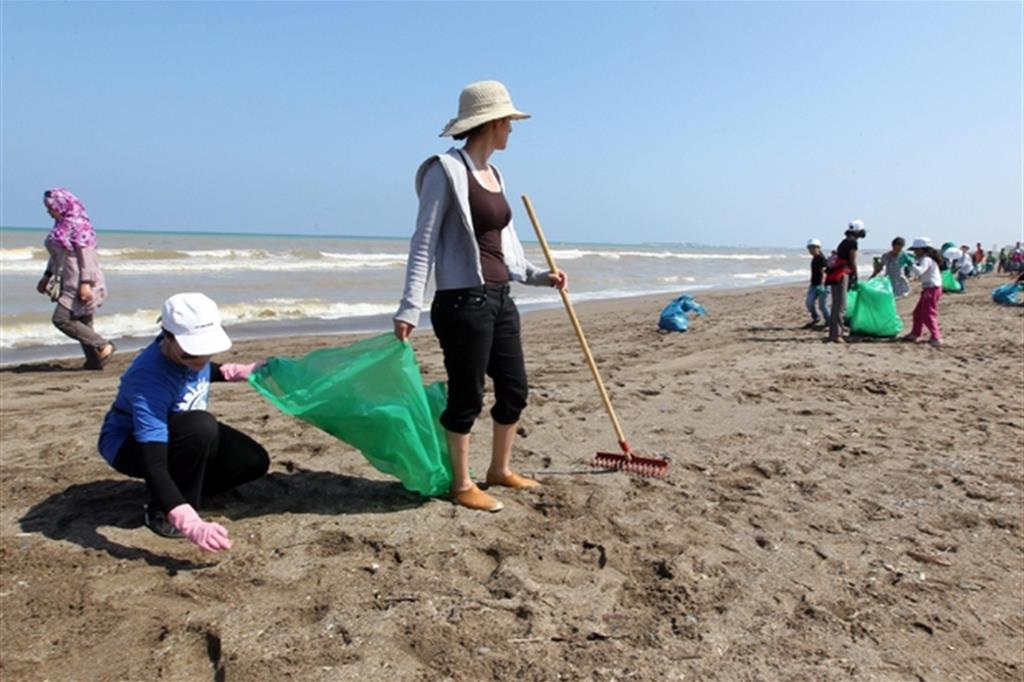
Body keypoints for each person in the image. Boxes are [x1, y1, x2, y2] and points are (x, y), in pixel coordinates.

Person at [393, 80, 567, 513]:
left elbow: (505, 247)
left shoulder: (496, 174)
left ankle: (499, 470)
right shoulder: (445, 170)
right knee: (467, 396)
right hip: (462, 302)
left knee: (514, 389)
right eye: (510, 121)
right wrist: (409, 306)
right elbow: (424, 241)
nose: (513, 129)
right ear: (493, 123)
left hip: (500, 298)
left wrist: (541, 277)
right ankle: (462, 482)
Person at [97, 293, 269, 552]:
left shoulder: (187, 356)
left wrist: (236, 372)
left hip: (182, 434)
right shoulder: (148, 379)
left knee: (253, 462)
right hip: (130, 445)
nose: (200, 359)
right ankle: (162, 511)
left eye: (206, 350)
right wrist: (188, 522)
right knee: (200, 426)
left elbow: (202, 369)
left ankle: (179, 493)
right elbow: (152, 461)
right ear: (168, 337)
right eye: (191, 352)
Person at [35, 188, 116, 369]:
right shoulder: (61, 227)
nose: (48, 211)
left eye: (50, 207)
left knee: (62, 319)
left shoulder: (80, 226)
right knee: (83, 322)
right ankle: (95, 361)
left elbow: (87, 257)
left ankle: (103, 345)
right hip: (67, 280)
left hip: (80, 282)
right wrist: (47, 276)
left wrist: (86, 284)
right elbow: (56, 255)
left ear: (62, 205)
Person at [824, 220, 865, 343]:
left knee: (836, 305)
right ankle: (837, 334)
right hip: (842, 274)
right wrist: (856, 275)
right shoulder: (852, 243)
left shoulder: (844, 241)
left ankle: (834, 332)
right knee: (841, 305)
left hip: (837, 274)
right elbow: (852, 260)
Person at [903, 238, 944, 346]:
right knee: (917, 313)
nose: (915, 252)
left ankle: (936, 337)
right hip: (930, 288)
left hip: (932, 288)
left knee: (928, 314)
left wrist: (910, 263)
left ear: (923, 249)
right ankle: (916, 333)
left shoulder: (926, 259)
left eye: (916, 250)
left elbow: (919, 271)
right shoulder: (926, 259)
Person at [803, 239, 829, 327]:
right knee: (809, 302)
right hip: (814, 284)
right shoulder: (814, 258)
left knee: (822, 305)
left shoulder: (822, 258)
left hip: (823, 285)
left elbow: (824, 272)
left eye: (813, 248)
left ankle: (829, 321)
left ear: (818, 248)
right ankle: (816, 317)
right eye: (809, 248)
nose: (811, 250)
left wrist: (822, 284)